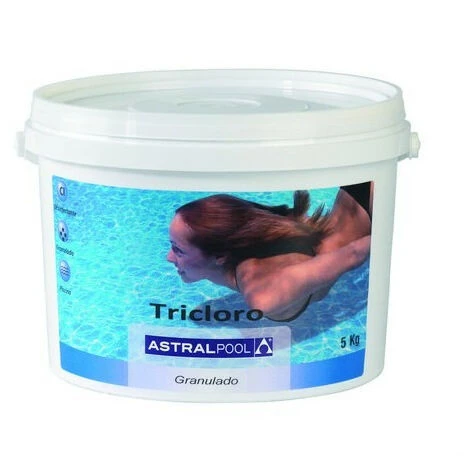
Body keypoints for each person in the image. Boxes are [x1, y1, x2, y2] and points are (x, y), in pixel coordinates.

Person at [167, 183, 372, 321]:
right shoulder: (240, 234)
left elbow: (354, 253)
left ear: (220, 256)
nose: (169, 258)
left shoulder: (262, 294)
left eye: (178, 250)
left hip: (371, 206)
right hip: (355, 199)